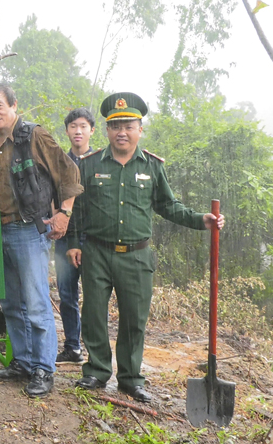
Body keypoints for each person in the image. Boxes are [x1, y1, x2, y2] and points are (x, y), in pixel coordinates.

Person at [67, 92, 225, 403]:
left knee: (134, 319)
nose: (121, 132)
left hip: (137, 256)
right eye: (115, 126)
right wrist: (73, 243)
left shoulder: (152, 166)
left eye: (128, 125)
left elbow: (168, 205)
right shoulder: (90, 163)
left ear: (140, 129)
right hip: (96, 252)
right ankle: (96, 372)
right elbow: (79, 207)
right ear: (106, 131)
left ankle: (129, 378)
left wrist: (201, 220)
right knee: (94, 315)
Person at [0, 82, 83, 398]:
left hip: (28, 231)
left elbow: (70, 173)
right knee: (11, 304)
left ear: (14, 105)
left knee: (35, 303)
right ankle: (22, 362)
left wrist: (64, 213)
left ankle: (44, 369)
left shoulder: (34, 135)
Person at [53, 108, 96, 364]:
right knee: (67, 294)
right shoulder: (60, 162)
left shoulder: (101, 161)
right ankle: (72, 347)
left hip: (93, 240)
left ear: (92, 130)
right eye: (72, 126)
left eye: (83, 126)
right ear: (67, 130)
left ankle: (95, 351)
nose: (77, 131)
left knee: (94, 297)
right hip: (64, 239)